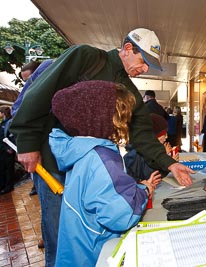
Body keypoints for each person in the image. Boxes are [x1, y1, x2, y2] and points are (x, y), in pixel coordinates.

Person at [9, 27, 194, 266]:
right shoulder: (86, 57)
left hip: (86, 165)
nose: (145, 69)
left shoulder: (130, 91)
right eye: (143, 61)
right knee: (58, 234)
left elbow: (143, 134)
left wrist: (170, 164)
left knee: (86, 232)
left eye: (150, 65)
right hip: (54, 161)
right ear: (127, 49)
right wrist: (27, 141)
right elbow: (40, 93)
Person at [49, 80, 161, 266]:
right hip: (94, 253)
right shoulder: (103, 158)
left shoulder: (80, 149)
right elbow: (121, 215)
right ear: (103, 119)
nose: (127, 123)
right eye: (123, 117)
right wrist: (144, 190)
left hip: (77, 249)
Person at [12, 59, 54, 198]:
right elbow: (17, 110)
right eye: (25, 81)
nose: (27, 85)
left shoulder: (50, 68)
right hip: (46, 157)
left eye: (29, 79)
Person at [124, 113, 179, 181]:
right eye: (164, 134)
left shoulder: (143, 151)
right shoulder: (137, 155)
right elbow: (152, 177)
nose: (167, 137)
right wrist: (168, 164)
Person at [0, 106, 16, 194]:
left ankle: (9, 187)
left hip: (8, 150)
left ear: (3, 113)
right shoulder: (2, 122)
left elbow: (12, 135)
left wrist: (10, 148)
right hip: (2, 149)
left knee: (8, 169)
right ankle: (3, 185)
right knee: (2, 168)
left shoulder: (9, 122)